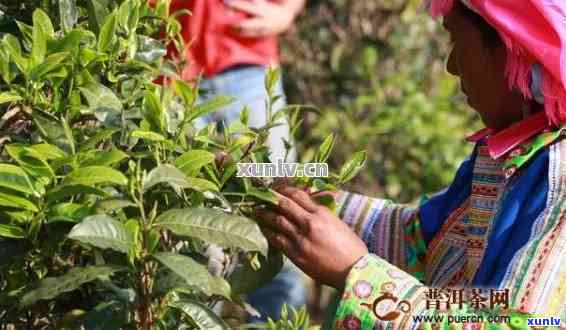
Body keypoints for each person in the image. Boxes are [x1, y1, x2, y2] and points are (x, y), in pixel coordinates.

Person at [255, 0, 566, 328]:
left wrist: (356, 274)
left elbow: (520, 323)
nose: (452, 65)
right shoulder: (517, 156)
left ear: (513, 47)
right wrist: (262, 179)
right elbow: (420, 240)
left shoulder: (558, 178)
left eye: (456, 40)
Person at [168, 0, 307, 322]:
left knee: (280, 207)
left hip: (245, 64)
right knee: (193, 229)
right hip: (169, 73)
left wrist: (288, 11)